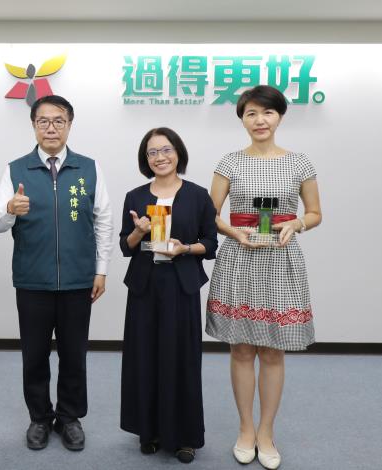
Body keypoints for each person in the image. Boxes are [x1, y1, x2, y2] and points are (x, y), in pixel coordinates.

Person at [205, 85, 322, 470]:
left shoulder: (299, 163)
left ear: (280, 116)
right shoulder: (230, 162)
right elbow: (211, 214)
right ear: (242, 118)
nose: (260, 120)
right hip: (239, 258)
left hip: (280, 259)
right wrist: (234, 232)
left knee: (273, 350)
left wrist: (296, 224)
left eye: (267, 112)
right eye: (251, 113)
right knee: (240, 349)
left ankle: (266, 432)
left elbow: (315, 213)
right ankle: (245, 429)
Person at [0, 95, 113, 451]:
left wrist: (101, 270)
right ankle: (40, 418)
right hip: (33, 280)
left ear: (69, 125)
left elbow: (104, 220)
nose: (51, 128)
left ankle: (69, 417)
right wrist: (11, 208)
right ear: (34, 126)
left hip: (78, 279)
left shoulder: (89, 168)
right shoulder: (16, 169)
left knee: (74, 354)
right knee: (34, 355)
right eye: (43, 121)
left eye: (58, 121)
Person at [119, 127, 217, 464]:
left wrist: (185, 248)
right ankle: (149, 432)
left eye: (166, 150)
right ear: (145, 159)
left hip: (180, 285)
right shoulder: (135, 196)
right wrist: (138, 231)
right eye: (152, 152)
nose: (160, 157)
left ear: (178, 153)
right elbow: (126, 246)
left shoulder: (198, 195)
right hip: (145, 286)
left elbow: (211, 244)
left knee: (181, 360)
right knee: (144, 358)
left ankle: (185, 437)